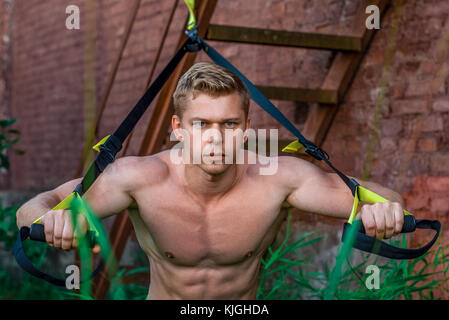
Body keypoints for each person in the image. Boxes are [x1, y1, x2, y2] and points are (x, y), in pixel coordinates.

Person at [16, 62, 405, 299]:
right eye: (201, 124)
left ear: (247, 127)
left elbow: (385, 198)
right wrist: (49, 221)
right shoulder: (138, 178)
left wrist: (385, 214)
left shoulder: (279, 179)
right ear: (178, 129)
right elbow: (34, 206)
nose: (216, 138)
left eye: (229, 124)